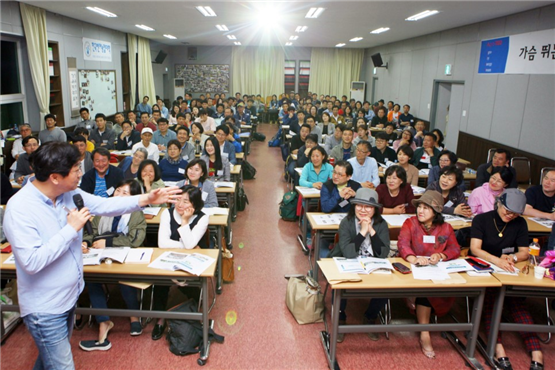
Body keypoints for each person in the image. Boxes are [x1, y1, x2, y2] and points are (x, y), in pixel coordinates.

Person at [3, 142, 179, 369]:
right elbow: (31, 262)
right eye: (76, 169)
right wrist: (70, 230)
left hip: (67, 298)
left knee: (48, 361)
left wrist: (145, 199)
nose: (81, 174)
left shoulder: (68, 192)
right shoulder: (20, 208)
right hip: (45, 308)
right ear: (55, 177)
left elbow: (105, 205)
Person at [470, 189, 544, 370]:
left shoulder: (520, 223)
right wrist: (497, 260)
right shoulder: (482, 220)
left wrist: (514, 258)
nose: (509, 216)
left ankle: (536, 351)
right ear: (499, 204)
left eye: (514, 213)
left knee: (517, 303)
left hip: (508, 269)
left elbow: (524, 251)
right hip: (486, 267)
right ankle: (498, 348)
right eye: (507, 211)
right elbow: (475, 249)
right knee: (491, 301)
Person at [79, 179, 147, 351]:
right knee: (91, 278)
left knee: (125, 278)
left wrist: (107, 242)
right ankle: (103, 321)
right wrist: (85, 243)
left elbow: (135, 239)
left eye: (126, 193)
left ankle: (134, 316)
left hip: (124, 253)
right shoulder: (103, 208)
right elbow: (91, 232)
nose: (120, 195)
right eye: (118, 190)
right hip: (99, 254)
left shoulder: (136, 212)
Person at [397, 190, 460, 359]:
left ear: (436, 211)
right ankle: (424, 333)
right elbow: (402, 244)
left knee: (434, 288)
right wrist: (413, 258)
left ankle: (419, 308)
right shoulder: (410, 223)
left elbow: (455, 249)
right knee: (425, 291)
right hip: (413, 269)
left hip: (436, 271)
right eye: (420, 207)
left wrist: (441, 255)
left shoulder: (445, 227)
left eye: (426, 208)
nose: (420, 211)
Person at [328, 188, 390, 342]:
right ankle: (340, 318)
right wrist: (363, 232)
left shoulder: (381, 224)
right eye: (359, 206)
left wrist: (372, 232)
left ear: (374, 209)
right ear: (354, 206)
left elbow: (382, 254)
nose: (363, 210)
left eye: (368, 207)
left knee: (387, 287)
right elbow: (348, 253)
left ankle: (370, 316)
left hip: (371, 264)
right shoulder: (346, 223)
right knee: (340, 285)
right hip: (345, 262)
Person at [151, 185, 209, 340]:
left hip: (192, 263)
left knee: (192, 288)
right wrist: (186, 246)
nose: (180, 204)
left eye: (186, 201)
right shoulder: (167, 213)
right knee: (160, 282)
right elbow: (162, 243)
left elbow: (190, 244)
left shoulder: (203, 217)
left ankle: (192, 314)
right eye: (178, 199)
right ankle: (160, 319)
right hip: (168, 259)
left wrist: (184, 221)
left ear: (195, 205)